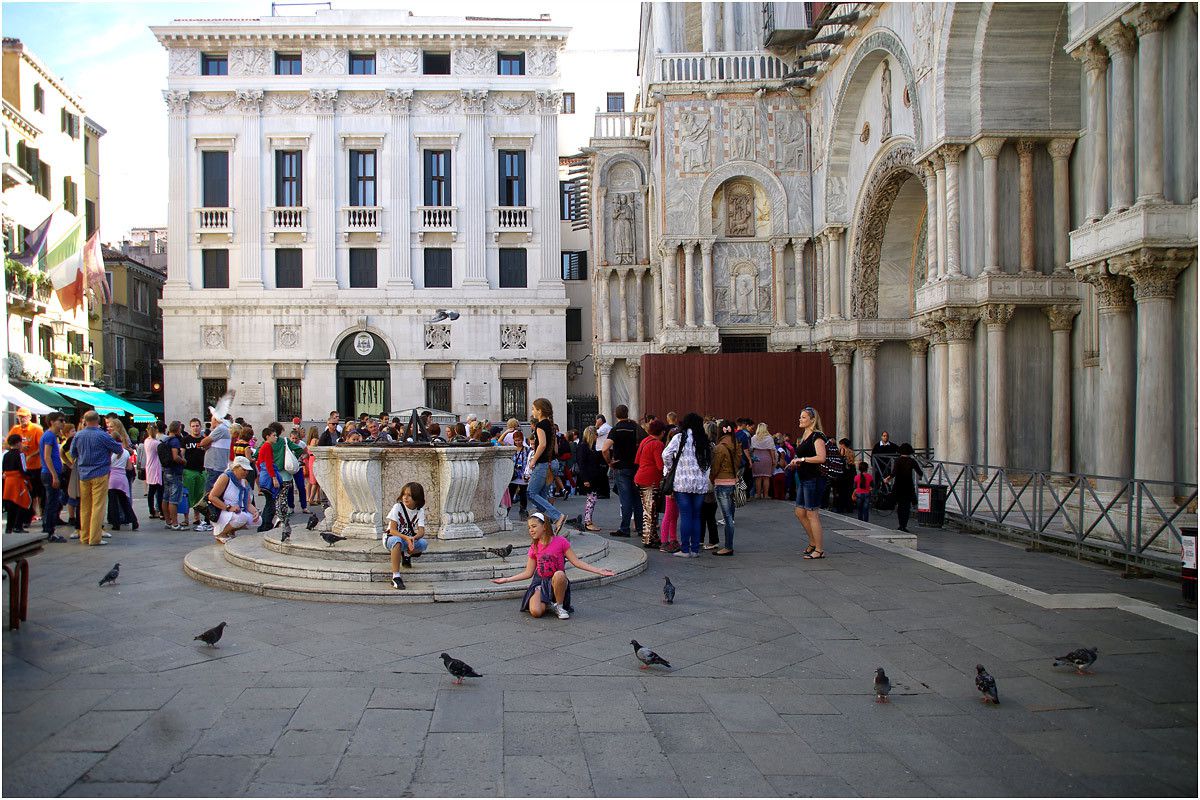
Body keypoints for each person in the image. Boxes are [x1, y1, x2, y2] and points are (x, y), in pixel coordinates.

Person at [490, 512, 615, 619]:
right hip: (540, 582)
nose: (531, 530)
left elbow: (576, 562)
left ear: (544, 526)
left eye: (534, 526)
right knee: (536, 612)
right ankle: (549, 602)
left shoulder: (561, 541)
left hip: (557, 580)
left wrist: (599, 570)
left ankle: (559, 606)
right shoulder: (534, 547)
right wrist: (506, 580)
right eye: (529, 527)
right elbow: (528, 573)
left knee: (559, 574)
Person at [69, 411, 125, 546]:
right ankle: (95, 537)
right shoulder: (102, 435)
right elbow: (118, 448)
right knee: (98, 506)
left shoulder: (79, 435)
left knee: (85, 506)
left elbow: (72, 453)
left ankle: (85, 535)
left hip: (83, 474)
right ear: (97, 420)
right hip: (100, 473)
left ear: (85, 421)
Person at [662, 412, 712, 559]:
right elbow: (708, 462)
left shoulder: (679, 437)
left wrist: (671, 468)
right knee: (697, 516)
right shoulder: (703, 439)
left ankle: (685, 549)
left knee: (685, 516)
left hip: (682, 483)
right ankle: (695, 549)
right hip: (699, 484)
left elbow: (665, 454)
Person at [789, 406, 828, 559]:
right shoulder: (805, 434)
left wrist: (803, 459)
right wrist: (797, 462)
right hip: (804, 477)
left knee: (812, 514)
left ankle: (819, 549)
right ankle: (813, 542)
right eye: (800, 416)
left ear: (812, 419)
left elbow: (821, 457)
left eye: (803, 417)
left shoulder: (817, 436)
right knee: (799, 512)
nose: (800, 419)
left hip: (814, 478)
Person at [523, 398, 566, 534]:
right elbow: (556, 449)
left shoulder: (540, 426)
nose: (532, 411)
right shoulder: (551, 425)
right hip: (552, 463)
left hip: (543, 464)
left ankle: (557, 516)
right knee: (542, 495)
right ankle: (545, 528)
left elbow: (541, 444)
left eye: (533, 409)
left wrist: (533, 460)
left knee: (531, 492)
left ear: (539, 411)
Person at [601, 404, 644, 539]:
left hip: (622, 466)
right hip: (636, 466)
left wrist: (609, 462)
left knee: (626, 499)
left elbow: (604, 449)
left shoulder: (616, 429)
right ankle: (640, 527)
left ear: (616, 414)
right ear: (627, 413)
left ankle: (625, 528)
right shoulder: (635, 427)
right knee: (637, 498)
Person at [384, 482, 429, 588]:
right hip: (391, 539)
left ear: (417, 498)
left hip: (407, 539)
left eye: (409, 495)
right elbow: (392, 531)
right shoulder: (398, 507)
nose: (405, 497)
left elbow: (421, 531)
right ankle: (396, 577)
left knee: (423, 544)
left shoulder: (420, 511)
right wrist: (406, 538)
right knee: (397, 541)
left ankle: (407, 554)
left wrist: (413, 538)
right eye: (404, 494)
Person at [207, 455, 260, 544]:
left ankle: (231, 531)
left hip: (236, 510)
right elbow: (212, 497)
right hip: (221, 510)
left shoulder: (244, 481)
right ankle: (221, 533)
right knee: (242, 518)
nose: (246, 472)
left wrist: (255, 512)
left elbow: (247, 503)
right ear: (235, 468)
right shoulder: (225, 477)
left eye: (247, 470)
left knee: (258, 520)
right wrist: (228, 507)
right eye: (244, 469)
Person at [633, 420, 667, 549]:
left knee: (649, 510)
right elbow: (660, 465)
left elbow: (637, 460)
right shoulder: (657, 444)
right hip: (650, 480)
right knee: (649, 510)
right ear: (662, 432)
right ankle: (647, 538)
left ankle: (652, 536)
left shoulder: (645, 441)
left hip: (641, 477)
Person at [709, 419, 740, 556]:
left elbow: (715, 467)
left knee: (727, 518)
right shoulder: (735, 444)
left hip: (721, 482)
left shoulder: (720, 447)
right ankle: (728, 545)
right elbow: (739, 462)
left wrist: (711, 479)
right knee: (730, 516)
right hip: (732, 481)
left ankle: (728, 546)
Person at [8, 407, 44, 520]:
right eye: (19, 416)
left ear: (29, 417)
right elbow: (7, 444)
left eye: (23, 416)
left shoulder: (36, 429)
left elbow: (42, 447)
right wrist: (18, 448)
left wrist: (30, 454)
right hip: (22, 468)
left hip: (36, 466)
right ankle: (29, 515)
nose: (21, 418)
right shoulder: (15, 429)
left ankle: (40, 513)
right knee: (26, 491)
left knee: (38, 492)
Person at [199, 412, 233, 528]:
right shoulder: (224, 429)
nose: (211, 421)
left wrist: (206, 442)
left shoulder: (221, 429)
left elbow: (203, 443)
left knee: (209, 494)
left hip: (215, 466)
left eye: (212, 419)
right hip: (216, 466)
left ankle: (209, 520)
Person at [105, 417, 138, 532]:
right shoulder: (125, 452)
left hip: (112, 477)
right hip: (122, 477)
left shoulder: (110, 452)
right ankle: (133, 520)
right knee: (125, 500)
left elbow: (107, 463)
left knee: (113, 501)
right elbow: (129, 466)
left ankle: (116, 522)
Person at [38, 412, 65, 540]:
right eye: (60, 420)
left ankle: (48, 529)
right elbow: (47, 456)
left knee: (51, 502)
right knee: (52, 503)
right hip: (50, 473)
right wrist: (54, 475)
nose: (63, 423)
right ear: (52, 422)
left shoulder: (50, 435)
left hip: (48, 473)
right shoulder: (49, 436)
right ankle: (49, 531)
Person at [574, 426, 606, 532]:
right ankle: (588, 521)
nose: (597, 436)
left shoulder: (589, 447)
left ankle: (589, 520)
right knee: (591, 499)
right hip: (588, 477)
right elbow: (582, 464)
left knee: (592, 499)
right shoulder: (584, 447)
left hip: (592, 477)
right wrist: (585, 479)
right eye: (596, 434)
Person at [181, 418, 211, 532]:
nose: (195, 428)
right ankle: (186, 518)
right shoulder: (186, 440)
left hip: (201, 470)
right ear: (190, 427)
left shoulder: (204, 440)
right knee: (188, 495)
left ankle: (196, 517)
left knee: (199, 495)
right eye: (193, 426)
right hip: (189, 470)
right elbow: (182, 453)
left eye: (197, 425)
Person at [888, 443, 922, 533]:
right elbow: (920, 472)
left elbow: (893, 473)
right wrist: (920, 478)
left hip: (899, 485)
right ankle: (904, 525)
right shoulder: (912, 461)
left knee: (900, 507)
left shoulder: (898, 461)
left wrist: (887, 479)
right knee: (906, 506)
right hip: (908, 485)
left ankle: (901, 525)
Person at [160, 421, 187, 531]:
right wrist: (183, 461)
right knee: (174, 499)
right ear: (178, 429)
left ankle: (168, 521)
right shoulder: (175, 441)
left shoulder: (165, 440)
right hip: (175, 472)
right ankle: (175, 523)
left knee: (166, 497)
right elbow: (175, 457)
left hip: (166, 470)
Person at [3, 433, 32, 533]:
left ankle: (9, 527)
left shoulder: (6, 455)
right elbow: (23, 470)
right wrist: (29, 477)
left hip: (8, 482)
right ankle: (18, 526)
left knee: (10, 504)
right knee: (22, 502)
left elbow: (4, 469)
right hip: (18, 482)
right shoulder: (21, 454)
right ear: (19, 443)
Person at [255, 427, 281, 532]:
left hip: (264, 477)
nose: (276, 437)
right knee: (270, 503)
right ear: (267, 436)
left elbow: (260, 463)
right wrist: (274, 478)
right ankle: (266, 524)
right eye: (274, 435)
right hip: (268, 479)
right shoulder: (267, 447)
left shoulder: (265, 447)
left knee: (269, 502)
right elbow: (268, 463)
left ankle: (265, 524)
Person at [749, 422, 775, 501]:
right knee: (766, 477)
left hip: (756, 458)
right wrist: (773, 459)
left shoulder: (753, 438)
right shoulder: (769, 438)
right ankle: (766, 495)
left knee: (758, 477)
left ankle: (758, 494)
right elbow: (771, 450)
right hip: (767, 457)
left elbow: (751, 449)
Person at [508, 430, 530, 518]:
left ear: (522, 439)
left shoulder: (527, 449)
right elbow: (500, 442)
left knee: (523, 494)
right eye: (516, 440)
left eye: (519, 440)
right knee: (510, 493)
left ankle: (523, 510)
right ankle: (506, 512)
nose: (518, 442)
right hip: (514, 475)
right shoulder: (511, 449)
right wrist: (507, 432)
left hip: (523, 475)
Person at [305, 426, 322, 506]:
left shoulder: (308, 441)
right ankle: (311, 499)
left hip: (311, 459)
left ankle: (317, 498)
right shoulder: (315, 440)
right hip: (315, 458)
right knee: (315, 480)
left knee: (313, 480)